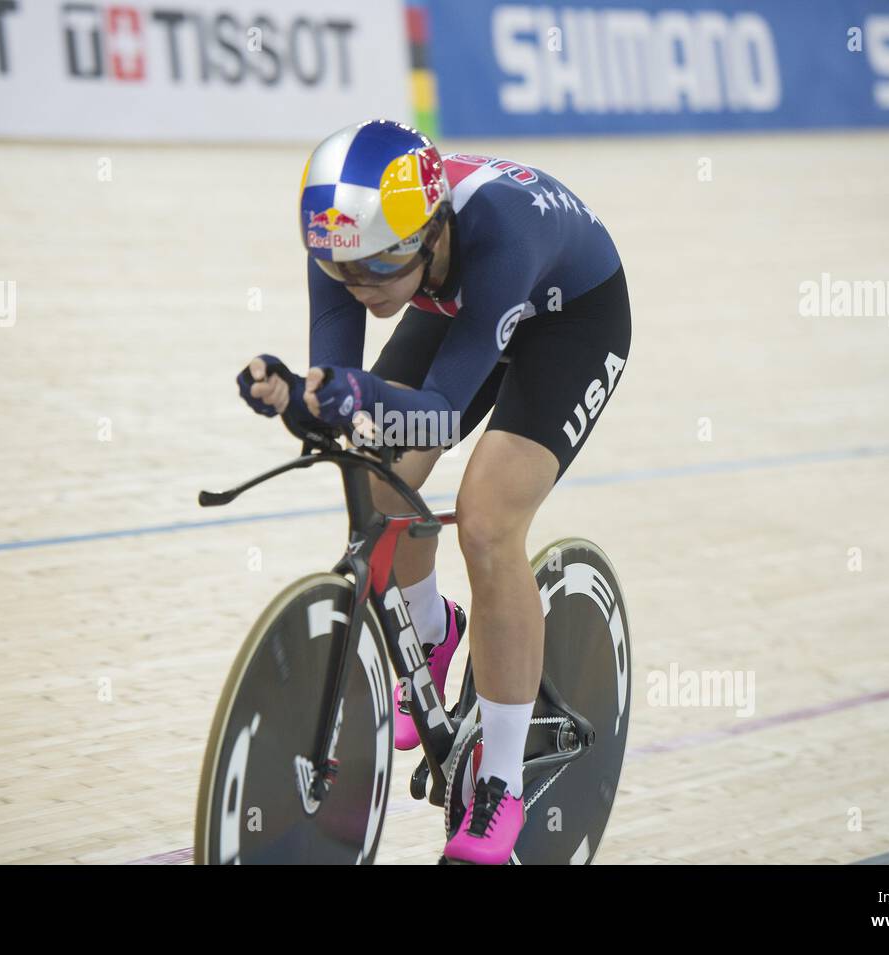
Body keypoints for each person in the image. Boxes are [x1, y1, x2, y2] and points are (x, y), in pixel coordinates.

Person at [237, 119, 631, 865]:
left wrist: (354, 393)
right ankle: (434, 628)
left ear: (432, 232)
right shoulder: (350, 238)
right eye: (342, 273)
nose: (361, 289)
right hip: (468, 307)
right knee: (380, 472)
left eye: (380, 271)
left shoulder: (500, 235)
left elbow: (443, 410)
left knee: (486, 519)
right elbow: (341, 399)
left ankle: (502, 785)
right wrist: (296, 394)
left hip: (573, 319)